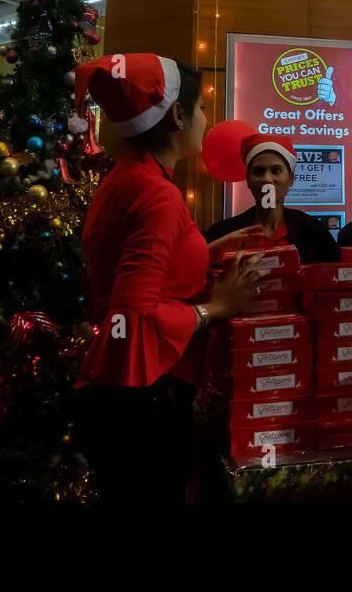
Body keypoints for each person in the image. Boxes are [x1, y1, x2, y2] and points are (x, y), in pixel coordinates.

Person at [71, 54, 267, 502]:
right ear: (177, 114)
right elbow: (134, 311)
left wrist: (205, 251)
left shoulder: (129, 177)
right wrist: (214, 309)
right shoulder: (157, 193)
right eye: (200, 108)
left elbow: (132, 265)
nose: (205, 119)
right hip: (146, 399)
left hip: (121, 391)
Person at [204, 133, 339, 263]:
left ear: (291, 179)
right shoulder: (220, 234)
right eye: (258, 172)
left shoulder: (315, 233)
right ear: (248, 181)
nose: (267, 179)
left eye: (276, 171)